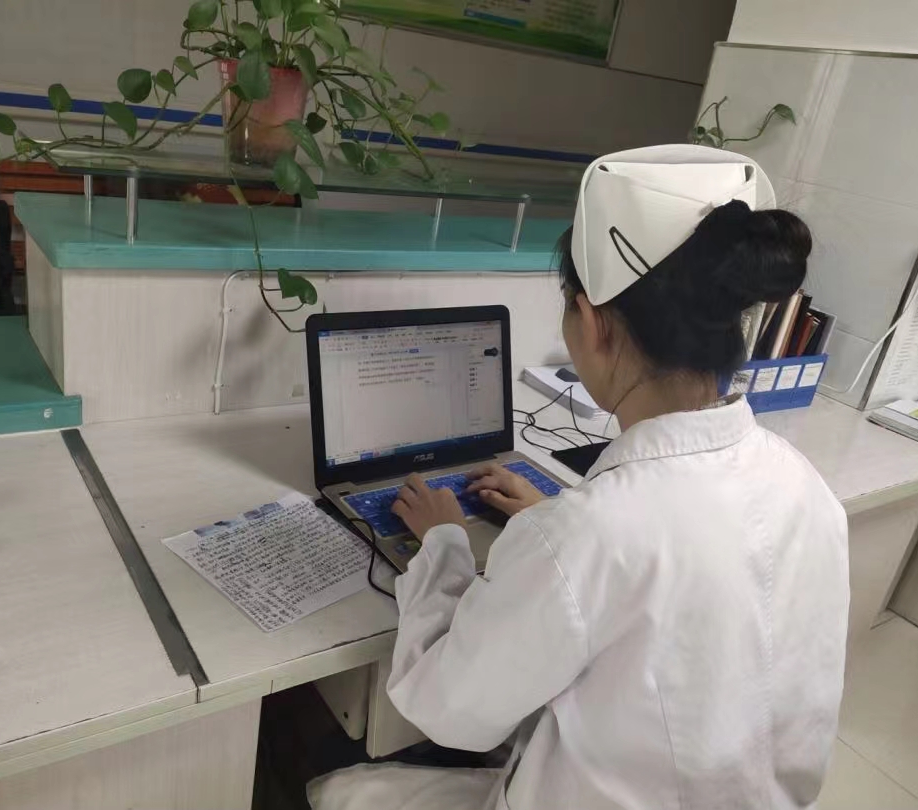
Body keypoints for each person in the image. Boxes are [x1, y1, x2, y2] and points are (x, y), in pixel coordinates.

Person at [308, 145, 849, 810]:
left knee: (340, 789)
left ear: (593, 323)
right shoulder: (806, 487)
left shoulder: (590, 534)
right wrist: (550, 521)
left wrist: (446, 542)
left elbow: (448, 709)